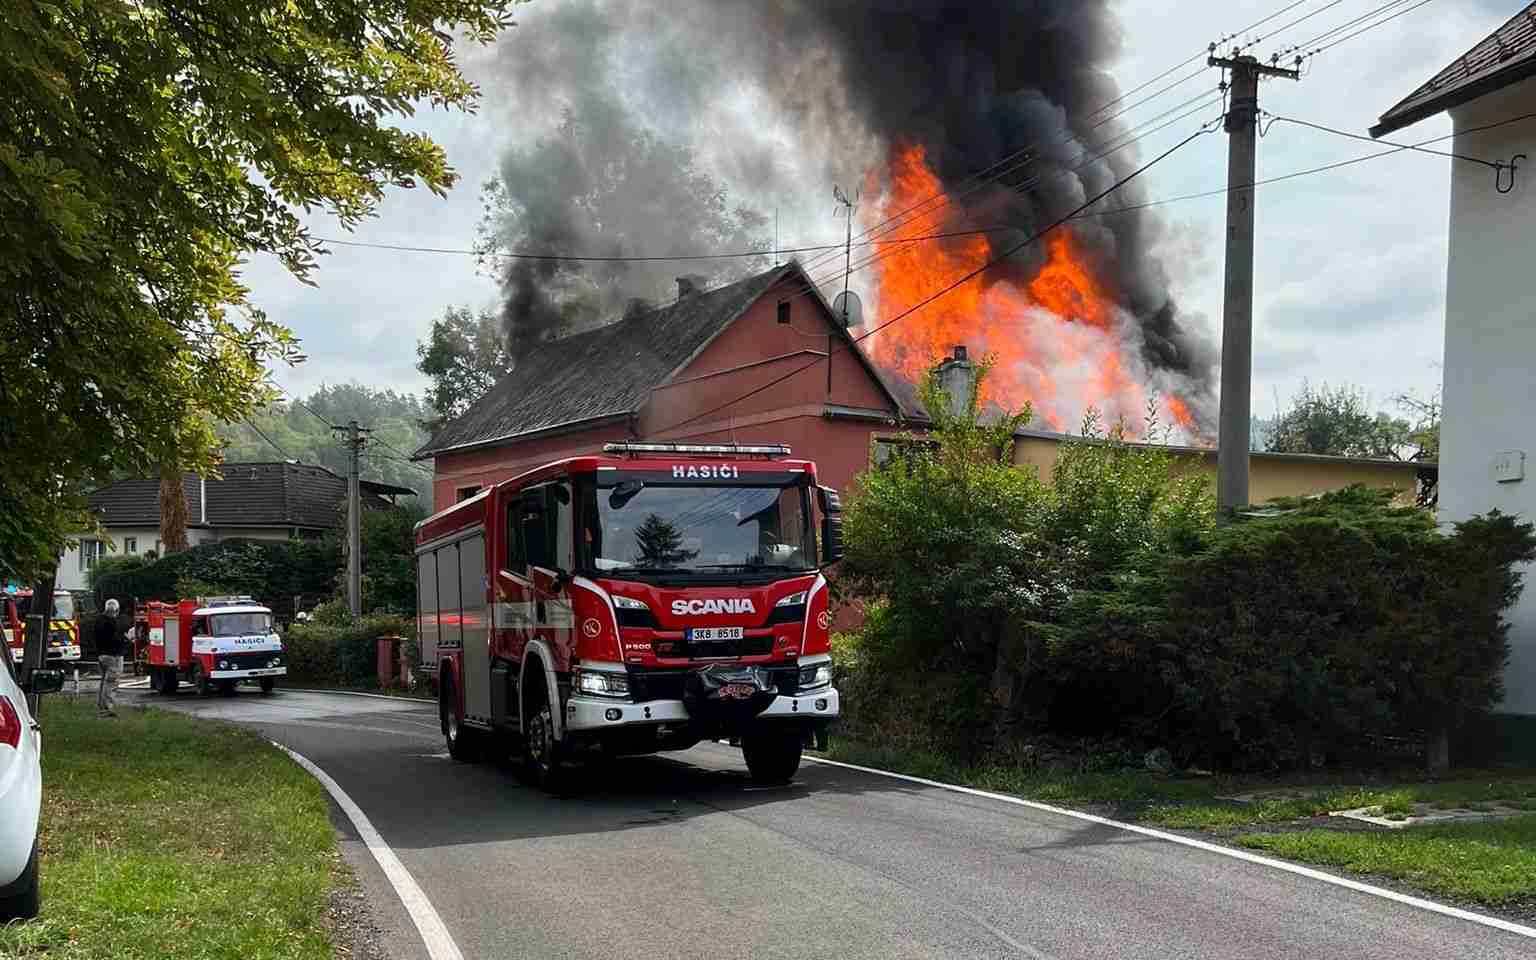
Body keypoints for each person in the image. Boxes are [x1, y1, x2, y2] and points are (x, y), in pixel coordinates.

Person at [94, 599, 125, 718]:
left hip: (101, 655)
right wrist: (127, 640)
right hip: (113, 656)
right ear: (116, 611)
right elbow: (117, 640)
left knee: (104, 683)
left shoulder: (98, 621)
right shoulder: (113, 623)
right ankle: (106, 709)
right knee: (112, 683)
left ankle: (101, 707)